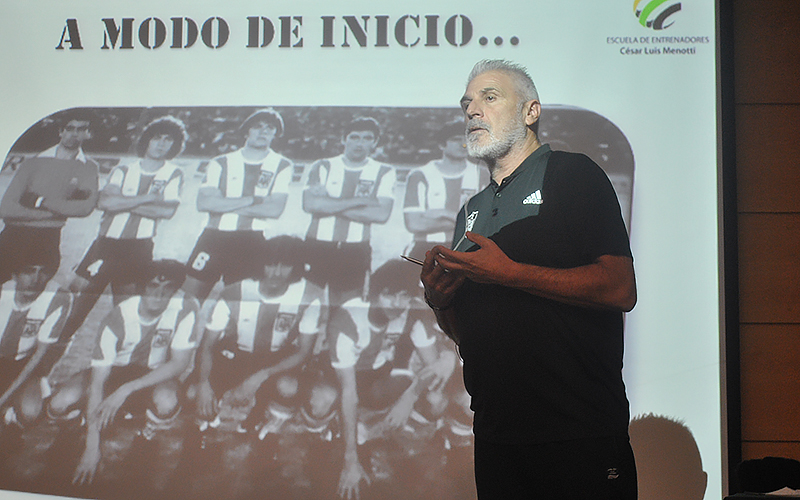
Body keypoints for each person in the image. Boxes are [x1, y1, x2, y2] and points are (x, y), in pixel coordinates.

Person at [420, 59, 638, 499]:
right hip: (498, 438)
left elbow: (620, 288)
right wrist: (441, 303)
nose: (472, 110)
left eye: (489, 97)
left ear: (531, 111)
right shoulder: (470, 212)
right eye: (467, 102)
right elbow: (469, 334)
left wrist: (511, 274)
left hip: (577, 433)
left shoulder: (572, 175)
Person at [45, 260, 197, 485]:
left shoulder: (185, 306)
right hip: (115, 373)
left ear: (176, 290)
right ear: (142, 287)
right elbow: (98, 383)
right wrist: (92, 448)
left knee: (167, 401)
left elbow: (179, 363)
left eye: (167, 288)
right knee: (60, 402)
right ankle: (75, 430)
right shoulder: (118, 317)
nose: (159, 294)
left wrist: (128, 389)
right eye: (152, 286)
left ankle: (146, 439)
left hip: (153, 375)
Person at [329, 259, 454, 499]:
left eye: (403, 297)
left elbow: (432, 366)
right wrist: (350, 460)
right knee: (343, 399)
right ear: (374, 293)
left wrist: (411, 395)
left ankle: (391, 431)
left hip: (382, 377)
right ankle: (357, 433)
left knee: (435, 395)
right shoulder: (347, 320)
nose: (397, 304)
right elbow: (349, 392)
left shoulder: (412, 312)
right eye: (389, 296)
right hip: (347, 380)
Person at [61, 115, 188, 339]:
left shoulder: (174, 173)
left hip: (138, 250)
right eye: (157, 138)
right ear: (147, 140)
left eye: (168, 139)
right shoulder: (123, 170)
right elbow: (104, 202)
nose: (161, 143)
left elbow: (167, 211)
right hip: (104, 246)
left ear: (174, 145)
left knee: (128, 315)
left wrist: (123, 203)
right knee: (73, 314)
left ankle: (118, 367)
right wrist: (147, 198)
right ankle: (41, 370)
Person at [192, 235, 323, 431]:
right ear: (260, 264)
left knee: (289, 386)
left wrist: (259, 377)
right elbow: (208, 344)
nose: (276, 273)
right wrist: (203, 383)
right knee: (193, 393)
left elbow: (303, 352)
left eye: (285, 265)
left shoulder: (309, 295)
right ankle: (203, 432)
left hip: (276, 361)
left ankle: (266, 429)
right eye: (270, 265)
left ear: (296, 267)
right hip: (234, 358)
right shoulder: (234, 292)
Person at [185, 108, 294, 304]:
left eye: (269, 128)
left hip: (251, 243)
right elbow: (204, 203)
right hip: (212, 238)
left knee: (238, 307)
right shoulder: (220, 162)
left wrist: (223, 204)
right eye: (257, 127)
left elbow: (274, 210)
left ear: (275, 134)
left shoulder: (282, 165)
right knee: (188, 300)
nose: (263, 132)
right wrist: (253, 200)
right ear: (246, 131)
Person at [0, 109, 99, 286]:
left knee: (30, 294)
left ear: (88, 133)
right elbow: (6, 208)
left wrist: (40, 202)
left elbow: (85, 208)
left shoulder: (88, 167)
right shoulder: (33, 163)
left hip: (48, 239)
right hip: (14, 236)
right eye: (70, 128)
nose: (74, 134)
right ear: (61, 131)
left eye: (81, 129)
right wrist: (54, 214)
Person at [302, 117, 394, 307]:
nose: (360, 143)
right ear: (344, 139)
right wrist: (361, 201)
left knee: (346, 309)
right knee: (307, 306)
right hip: (317, 245)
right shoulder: (322, 166)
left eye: (367, 138)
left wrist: (329, 204)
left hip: (355, 248)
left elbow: (381, 215)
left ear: (374, 142)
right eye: (354, 137)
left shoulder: (384, 171)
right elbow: (310, 204)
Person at [403, 120, 488, 261]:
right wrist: (463, 220)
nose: (463, 144)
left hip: (469, 248)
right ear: (441, 145)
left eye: (467, 139)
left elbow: (485, 222)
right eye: (455, 140)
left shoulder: (483, 175)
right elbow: (414, 224)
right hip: (426, 247)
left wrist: (444, 213)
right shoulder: (420, 175)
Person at [0, 262, 71, 424]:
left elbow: (38, 356)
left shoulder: (57, 298)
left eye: (43, 272)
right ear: (15, 274)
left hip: (23, 365)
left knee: (30, 412)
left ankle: (13, 407)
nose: (36, 279)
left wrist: (3, 399)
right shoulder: (3, 290)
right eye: (28, 271)